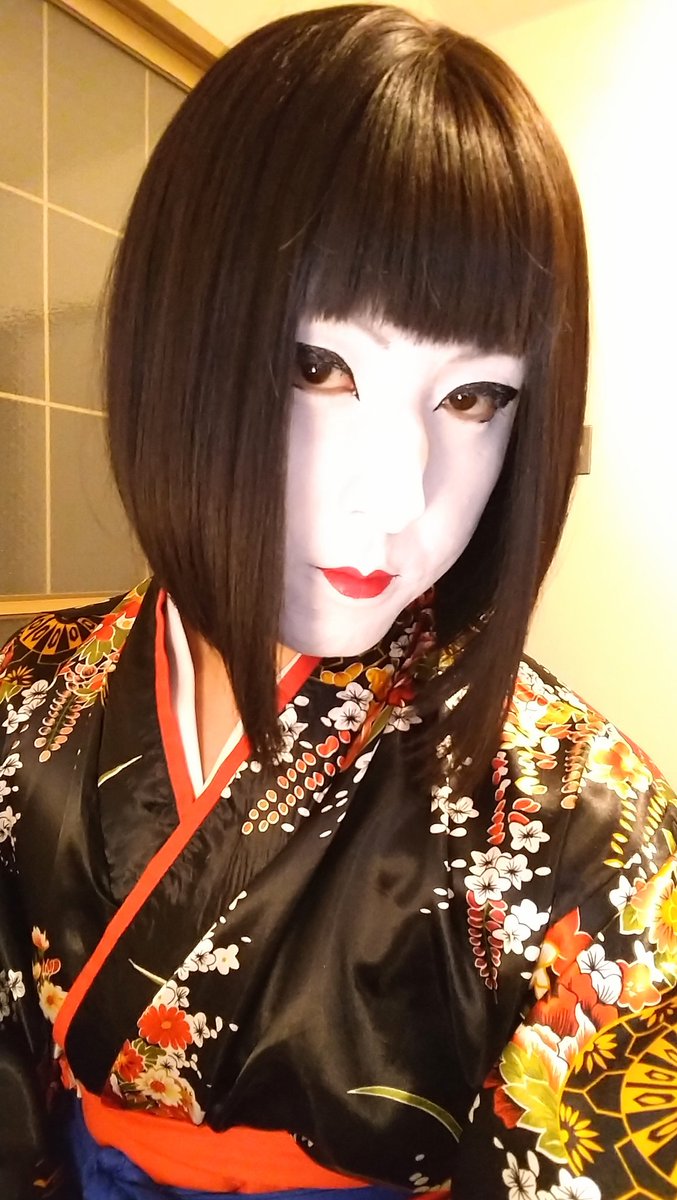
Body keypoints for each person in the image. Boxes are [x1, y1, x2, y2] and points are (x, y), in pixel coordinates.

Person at [0, 5, 675, 1198]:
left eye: (472, 398)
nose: (397, 496)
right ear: (171, 341)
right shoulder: (24, 696)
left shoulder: (586, 826)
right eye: (316, 367)